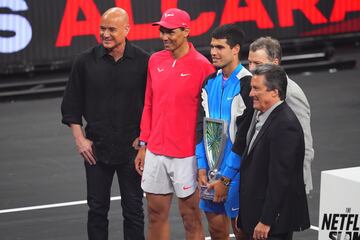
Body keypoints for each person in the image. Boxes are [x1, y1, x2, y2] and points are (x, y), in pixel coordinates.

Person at [61, 7, 149, 240]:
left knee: (134, 211)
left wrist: (144, 142)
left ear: (127, 30)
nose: (105, 34)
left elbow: (153, 106)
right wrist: (80, 140)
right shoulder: (84, 62)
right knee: (97, 210)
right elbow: (71, 106)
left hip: (132, 151)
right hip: (96, 151)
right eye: (102, 28)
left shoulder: (144, 62)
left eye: (111, 29)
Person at [134, 8, 214, 240]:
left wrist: (203, 159)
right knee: (155, 214)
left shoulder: (203, 66)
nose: (165, 37)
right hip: (156, 152)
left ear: (186, 31)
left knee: (190, 217)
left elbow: (208, 117)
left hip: (187, 154)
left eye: (171, 32)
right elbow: (149, 104)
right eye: (162, 31)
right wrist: (143, 144)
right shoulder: (154, 61)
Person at [234, 64, 310, 240]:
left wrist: (266, 220)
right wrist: (246, 215)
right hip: (256, 217)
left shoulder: (285, 125)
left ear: (274, 92)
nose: (251, 93)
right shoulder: (262, 115)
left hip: (271, 226)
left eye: (256, 88)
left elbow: (280, 179)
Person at [195, 23, 252, 240]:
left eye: (220, 47)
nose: (213, 52)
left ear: (236, 49)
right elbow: (201, 126)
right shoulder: (209, 82)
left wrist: (226, 178)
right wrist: (201, 166)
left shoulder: (247, 84)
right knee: (217, 230)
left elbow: (244, 138)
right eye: (212, 46)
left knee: (242, 231)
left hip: (237, 175)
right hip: (211, 171)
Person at [247, 37, 314, 194]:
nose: (251, 68)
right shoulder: (259, 88)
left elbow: (304, 143)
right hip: (264, 179)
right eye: (250, 62)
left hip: (287, 186)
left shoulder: (291, 93)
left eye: (257, 63)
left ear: (275, 62)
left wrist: (299, 184)